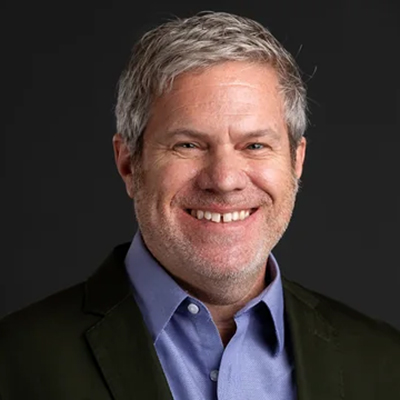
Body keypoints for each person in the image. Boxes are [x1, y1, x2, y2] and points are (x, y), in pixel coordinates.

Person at [1, 11, 399, 400]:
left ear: (296, 161)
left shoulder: (384, 362)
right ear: (128, 163)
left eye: (255, 145)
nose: (224, 180)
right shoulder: (15, 363)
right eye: (188, 145)